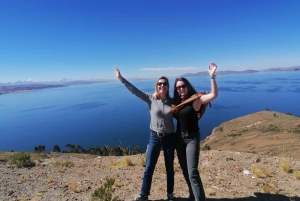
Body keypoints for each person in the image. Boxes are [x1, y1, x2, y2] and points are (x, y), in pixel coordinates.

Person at [114, 66, 176, 201]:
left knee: (170, 168)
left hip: (169, 138)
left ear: (167, 86)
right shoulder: (150, 99)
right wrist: (121, 78)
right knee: (149, 168)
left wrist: (199, 97)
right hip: (154, 137)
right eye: (159, 84)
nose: (162, 86)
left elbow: (186, 103)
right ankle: (144, 194)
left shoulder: (173, 102)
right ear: (156, 86)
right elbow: (134, 91)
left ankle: (170, 195)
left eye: (164, 84)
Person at [173, 63, 218, 201]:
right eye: (178, 87)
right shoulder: (177, 102)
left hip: (192, 138)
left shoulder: (196, 100)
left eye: (183, 86)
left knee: (192, 172)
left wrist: (212, 76)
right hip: (179, 138)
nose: (181, 89)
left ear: (187, 86)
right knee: (185, 170)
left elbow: (214, 95)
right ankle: (192, 195)